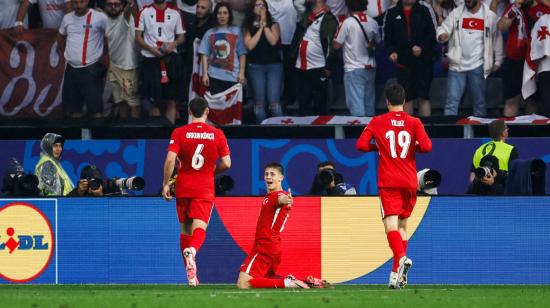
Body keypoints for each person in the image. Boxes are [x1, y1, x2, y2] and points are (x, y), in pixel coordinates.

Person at [356, 84, 432, 289]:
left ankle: (401, 259)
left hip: (389, 181)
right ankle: (394, 277)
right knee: (403, 226)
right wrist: (412, 147)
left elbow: (360, 145)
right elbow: (427, 147)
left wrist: (378, 146)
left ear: (387, 102)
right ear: (404, 102)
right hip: (409, 181)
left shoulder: (378, 121)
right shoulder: (414, 122)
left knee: (390, 226)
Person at [162, 97, 232, 287]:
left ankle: (191, 275)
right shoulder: (217, 134)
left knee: (185, 230)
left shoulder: (179, 132)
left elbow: (170, 160)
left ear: (189, 112)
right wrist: (212, 171)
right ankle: (192, 251)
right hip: (204, 187)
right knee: (199, 228)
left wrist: (166, 184)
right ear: (207, 112)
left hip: (184, 186)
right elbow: (227, 163)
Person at [236, 162, 328, 289]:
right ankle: (306, 282)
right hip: (273, 246)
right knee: (266, 283)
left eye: (272, 174)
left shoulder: (277, 196)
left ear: (281, 178)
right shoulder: (270, 196)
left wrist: (286, 199)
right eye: (266, 174)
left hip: (264, 246)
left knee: (243, 283)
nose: (268, 177)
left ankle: (289, 282)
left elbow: (281, 199)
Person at [437, 0, 504, 117]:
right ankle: (449, 133)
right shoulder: (456, 13)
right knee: (451, 103)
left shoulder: (489, 15)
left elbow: (497, 39)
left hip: (478, 65)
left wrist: (498, 61)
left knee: (480, 104)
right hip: (457, 65)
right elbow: (443, 28)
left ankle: (478, 134)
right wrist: (442, 35)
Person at [384, 0, 437, 117]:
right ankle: (409, 131)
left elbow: (432, 35)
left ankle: (424, 131)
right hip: (403, 63)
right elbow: (387, 36)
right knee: (406, 98)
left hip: (423, 63)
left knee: (424, 96)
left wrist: (422, 47)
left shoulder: (425, 10)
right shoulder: (392, 12)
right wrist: (391, 51)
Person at [136, 0, 186, 124]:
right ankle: (156, 135)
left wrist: (173, 44)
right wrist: (151, 49)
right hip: (150, 61)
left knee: (171, 99)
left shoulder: (175, 13)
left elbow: (181, 37)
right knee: (154, 100)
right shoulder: (144, 12)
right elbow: (137, 37)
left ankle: (170, 135)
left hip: (171, 60)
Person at [58, 0, 109, 119]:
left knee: (96, 111)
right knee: (74, 111)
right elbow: (60, 37)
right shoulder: (67, 18)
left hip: (90, 69)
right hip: (71, 69)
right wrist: (68, 54)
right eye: (75, 3)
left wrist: (103, 54)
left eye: (81, 2)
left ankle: (97, 137)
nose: (78, 6)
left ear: (87, 1)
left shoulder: (100, 17)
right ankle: (77, 137)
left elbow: (111, 36)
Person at [333, 0, 380, 117]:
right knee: (369, 104)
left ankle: (359, 133)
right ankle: (371, 132)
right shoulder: (373, 22)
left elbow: (336, 45)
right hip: (370, 67)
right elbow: (378, 41)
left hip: (353, 69)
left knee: (356, 105)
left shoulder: (347, 22)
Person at [293, 0, 338, 116]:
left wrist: (328, 67)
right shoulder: (306, 15)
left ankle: (320, 133)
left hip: (318, 68)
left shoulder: (329, 19)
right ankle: (305, 133)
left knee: (320, 104)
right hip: (300, 67)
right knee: (303, 104)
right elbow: (298, 3)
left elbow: (331, 46)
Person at [243, 0, 283, 123]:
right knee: (259, 103)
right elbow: (250, 45)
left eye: (263, 5)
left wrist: (264, 24)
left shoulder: (274, 24)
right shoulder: (247, 25)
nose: (260, 7)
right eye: (257, 5)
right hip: (255, 66)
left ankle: (279, 131)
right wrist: (260, 28)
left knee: (274, 102)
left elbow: (273, 41)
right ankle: (263, 131)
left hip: (274, 66)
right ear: (252, 8)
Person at [199, 2, 247, 95]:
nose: (222, 16)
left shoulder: (236, 31)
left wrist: (241, 72)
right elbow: (204, 54)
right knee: (216, 108)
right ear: (216, 15)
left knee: (232, 108)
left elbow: (242, 53)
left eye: (225, 13)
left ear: (229, 15)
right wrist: (205, 74)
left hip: (233, 77)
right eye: (219, 13)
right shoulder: (209, 33)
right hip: (214, 76)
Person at [105, 0, 140, 119]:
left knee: (133, 103)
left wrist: (130, 5)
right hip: (113, 65)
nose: (113, 7)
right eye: (110, 4)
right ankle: (123, 130)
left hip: (128, 67)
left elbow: (128, 12)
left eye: (116, 4)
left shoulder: (127, 18)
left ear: (122, 6)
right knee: (121, 102)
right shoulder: (105, 19)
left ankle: (136, 133)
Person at [498, 0, 531, 117]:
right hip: (514, 59)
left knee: (532, 101)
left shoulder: (541, 7)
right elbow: (501, 27)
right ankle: (508, 135)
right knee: (511, 100)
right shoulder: (513, 7)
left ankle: (533, 135)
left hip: (536, 61)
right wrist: (513, 11)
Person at [266, 0, 298, 110]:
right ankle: (273, 100)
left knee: (289, 73)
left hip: (290, 41)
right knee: (274, 74)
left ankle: (287, 100)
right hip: (270, 41)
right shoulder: (265, 2)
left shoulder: (292, 2)